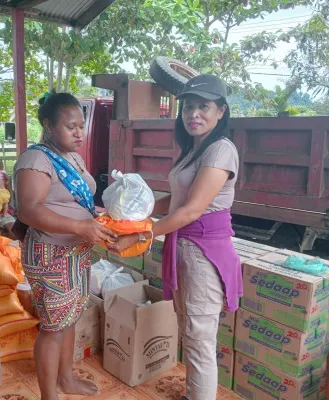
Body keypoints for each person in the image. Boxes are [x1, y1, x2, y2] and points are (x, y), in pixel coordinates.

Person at [109, 75, 242, 400]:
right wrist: (133, 212)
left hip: (204, 254)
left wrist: (142, 234)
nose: (193, 114)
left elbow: (192, 210)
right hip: (184, 249)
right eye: (188, 107)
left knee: (199, 341)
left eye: (203, 107)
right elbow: (174, 200)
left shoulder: (221, 150)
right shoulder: (194, 150)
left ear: (221, 111)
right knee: (189, 331)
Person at [14, 92, 116, 400]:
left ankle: (66, 380)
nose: (79, 133)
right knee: (53, 327)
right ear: (48, 125)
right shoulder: (36, 159)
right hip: (51, 255)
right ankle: (50, 395)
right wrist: (80, 226)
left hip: (76, 253)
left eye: (81, 126)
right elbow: (29, 210)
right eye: (70, 126)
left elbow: (78, 202)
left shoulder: (73, 157)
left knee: (70, 318)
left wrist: (103, 220)